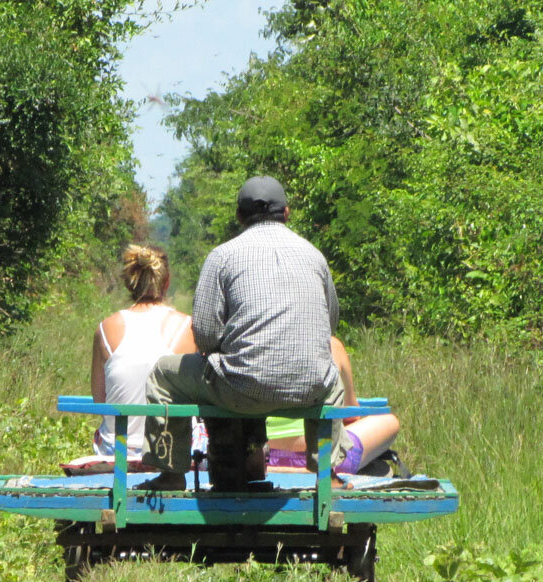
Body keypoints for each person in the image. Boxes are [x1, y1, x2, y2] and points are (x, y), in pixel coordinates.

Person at [139, 176, 351, 490]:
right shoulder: (315, 256)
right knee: (331, 378)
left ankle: (171, 472)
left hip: (238, 390)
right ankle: (327, 474)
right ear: (287, 213)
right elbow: (328, 326)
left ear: (239, 217)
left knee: (162, 374)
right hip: (309, 388)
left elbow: (207, 335)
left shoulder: (222, 256)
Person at [90, 244, 197, 458]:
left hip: (117, 449)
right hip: (169, 450)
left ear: (129, 284)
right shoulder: (188, 327)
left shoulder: (105, 328)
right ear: (166, 282)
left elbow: (100, 399)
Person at [265, 336, 400, 473]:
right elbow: (351, 415)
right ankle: (319, 469)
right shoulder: (330, 345)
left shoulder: (256, 347)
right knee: (388, 420)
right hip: (325, 458)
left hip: (262, 457)